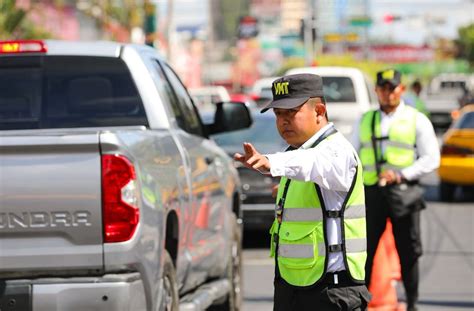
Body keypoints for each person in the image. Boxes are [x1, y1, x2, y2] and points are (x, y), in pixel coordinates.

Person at [234, 74, 371, 311]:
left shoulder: (336, 151)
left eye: (291, 112)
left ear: (318, 111)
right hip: (292, 287)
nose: (283, 121)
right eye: (278, 114)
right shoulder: (298, 151)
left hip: (331, 292)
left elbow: (312, 162)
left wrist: (269, 162)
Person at [351, 69, 440, 311]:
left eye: (392, 88)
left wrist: (402, 174)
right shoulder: (365, 119)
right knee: (364, 252)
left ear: (401, 89)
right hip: (371, 194)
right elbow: (352, 155)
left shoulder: (416, 119)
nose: (388, 93)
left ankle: (412, 304)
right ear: (377, 91)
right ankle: (362, 303)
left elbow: (431, 158)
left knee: (408, 252)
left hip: (404, 194)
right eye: (383, 88)